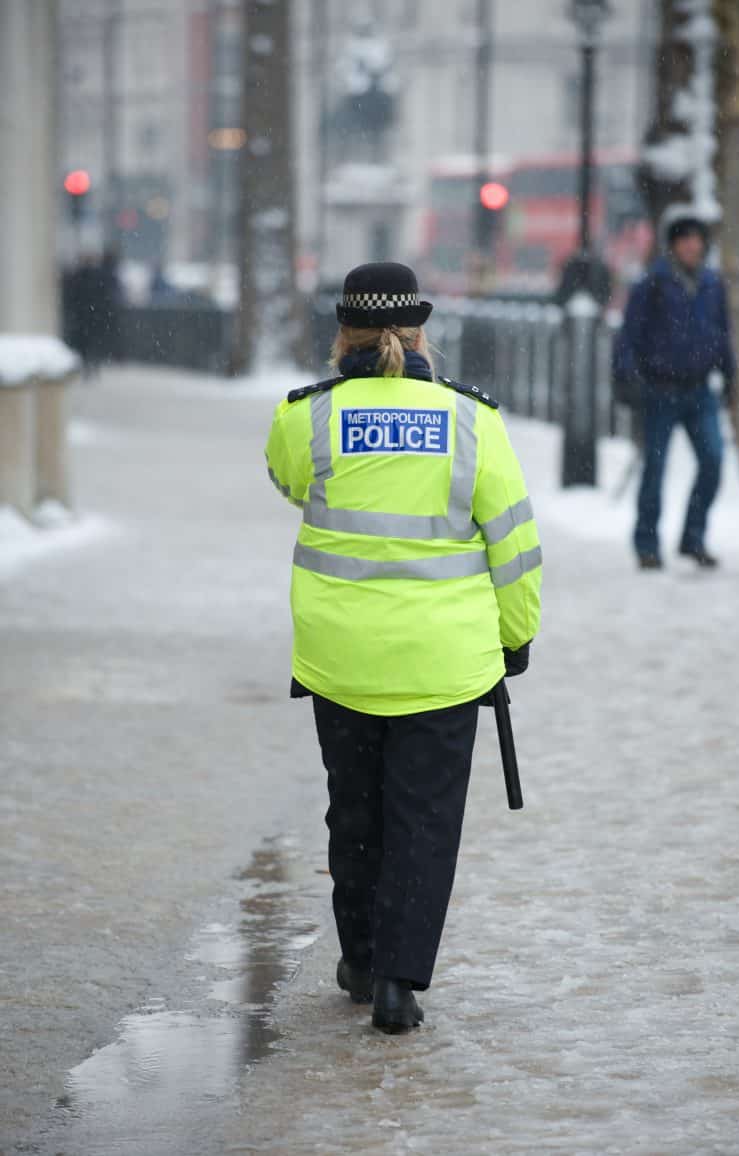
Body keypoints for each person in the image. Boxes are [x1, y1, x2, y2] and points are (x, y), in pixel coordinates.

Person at [266, 262, 542, 1033]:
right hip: (446, 662)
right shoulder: (472, 422)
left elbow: (290, 481)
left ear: (341, 335)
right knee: (423, 823)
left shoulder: (306, 419)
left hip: (341, 659)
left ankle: (358, 958)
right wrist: (515, 637)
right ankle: (398, 982)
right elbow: (514, 544)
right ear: (422, 335)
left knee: (354, 814)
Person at [613, 206, 735, 569]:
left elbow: (722, 333)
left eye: (697, 240)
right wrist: (627, 376)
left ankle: (693, 537)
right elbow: (629, 335)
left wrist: (729, 374)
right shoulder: (652, 283)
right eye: (686, 240)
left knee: (713, 460)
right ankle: (646, 544)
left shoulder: (713, 284)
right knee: (655, 469)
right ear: (674, 245)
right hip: (660, 389)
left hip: (700, 389)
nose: (692, 247)